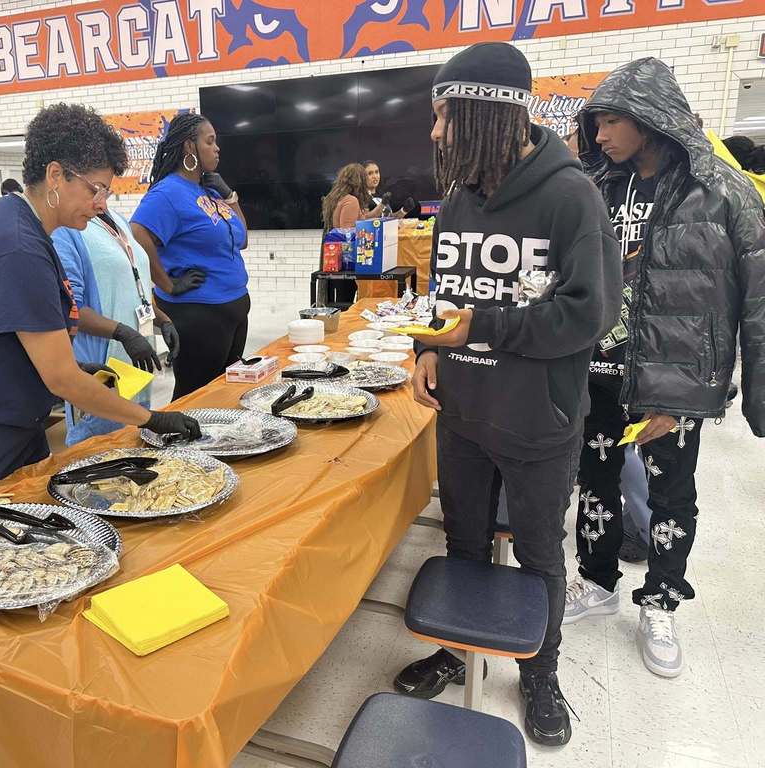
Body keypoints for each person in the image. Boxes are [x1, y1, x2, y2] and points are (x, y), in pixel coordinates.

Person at [395, 42, 621, 746]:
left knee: (539, 555)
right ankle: (459, 647)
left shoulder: (571, 195)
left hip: (538, 421)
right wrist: (429, 347)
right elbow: (448, 296)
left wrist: (480, 328)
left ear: (490, 114)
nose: (435, 134)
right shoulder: (462, 195)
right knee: (460, 543)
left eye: (445, 117)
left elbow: (591, 314)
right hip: (463, 413)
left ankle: (539, 671)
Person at [0, 102, 200, 525]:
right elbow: (60, 378)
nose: (101, 203)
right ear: (56, 175)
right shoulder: (15, 245)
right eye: (95, 189)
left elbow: (25, 337)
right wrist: (151, 418)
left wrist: (78, 363)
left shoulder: (30, 229)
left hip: (8, 421)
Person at [564, 58, 765, 679]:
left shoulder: (724, 194)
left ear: (653, 120)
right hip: (595, 371)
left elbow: (757, 298)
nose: (599, 135)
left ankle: (661, 602)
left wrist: (743, 393)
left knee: (671, 494)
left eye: (613, 120)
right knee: (595, 483)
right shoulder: (594, 185)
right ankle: (596, 584)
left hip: (673, 383)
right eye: (594, 123)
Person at [130, 112, 251, 400]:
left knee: (223, 396)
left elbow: (242, 238)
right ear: (189, 147)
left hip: (232, 309)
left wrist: (229, 196)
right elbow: (137, 234)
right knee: (195, 398)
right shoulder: (169, 192)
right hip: (200, 315)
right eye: (209, 142)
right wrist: (167, 285)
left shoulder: (207, 190)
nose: (217, 148)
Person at [53, 206, 181, 445]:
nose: (101, 198)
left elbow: (133, 285)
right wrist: (122, 332)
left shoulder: (117, 220)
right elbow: (70, 308)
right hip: (102, 372)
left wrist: (162, 319)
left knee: (133, 448)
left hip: (136, 371)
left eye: (107, 187)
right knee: (98, 456)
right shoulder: (67, 230)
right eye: (96, 187)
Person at [319, 163, 380, 306]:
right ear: (359, 180)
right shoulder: (351, 201)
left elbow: (359, 220)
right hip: (347, 262)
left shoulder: (338, 198)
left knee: (339, 301)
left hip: (336, 259)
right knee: (345, 302)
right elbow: (347, 233)